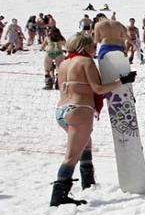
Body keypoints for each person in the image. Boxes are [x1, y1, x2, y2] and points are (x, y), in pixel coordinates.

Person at [51, 33, 135, 206]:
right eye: (92, 46)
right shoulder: (86, 62)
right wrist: (122, 81)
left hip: (62, 110)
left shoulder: (64, 63)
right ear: (85, 46)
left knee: (85, 143)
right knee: (71, 155)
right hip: (80, 109)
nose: (94, 50)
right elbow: (98, 88)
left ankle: (88, 182)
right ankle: (59, 195)